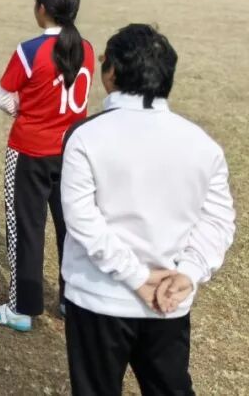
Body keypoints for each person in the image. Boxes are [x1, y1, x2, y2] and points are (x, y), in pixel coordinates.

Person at [60, 24, 235, 395]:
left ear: (112, 73)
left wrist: (138, 278)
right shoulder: (202, 144)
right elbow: (218, 220)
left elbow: (82, 220)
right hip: (169, 299)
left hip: (100, 295)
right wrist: (187, 273)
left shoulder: (87, 136)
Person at [0, 0, 95, 332]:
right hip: (73, 153)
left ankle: (20, 307)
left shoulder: (30, 50)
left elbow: (2, 97)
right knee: (71, 227)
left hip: (29, 150)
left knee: (25, 228)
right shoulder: (86, 48)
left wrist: (25, 110)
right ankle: (70, 299)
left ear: (41, 9)